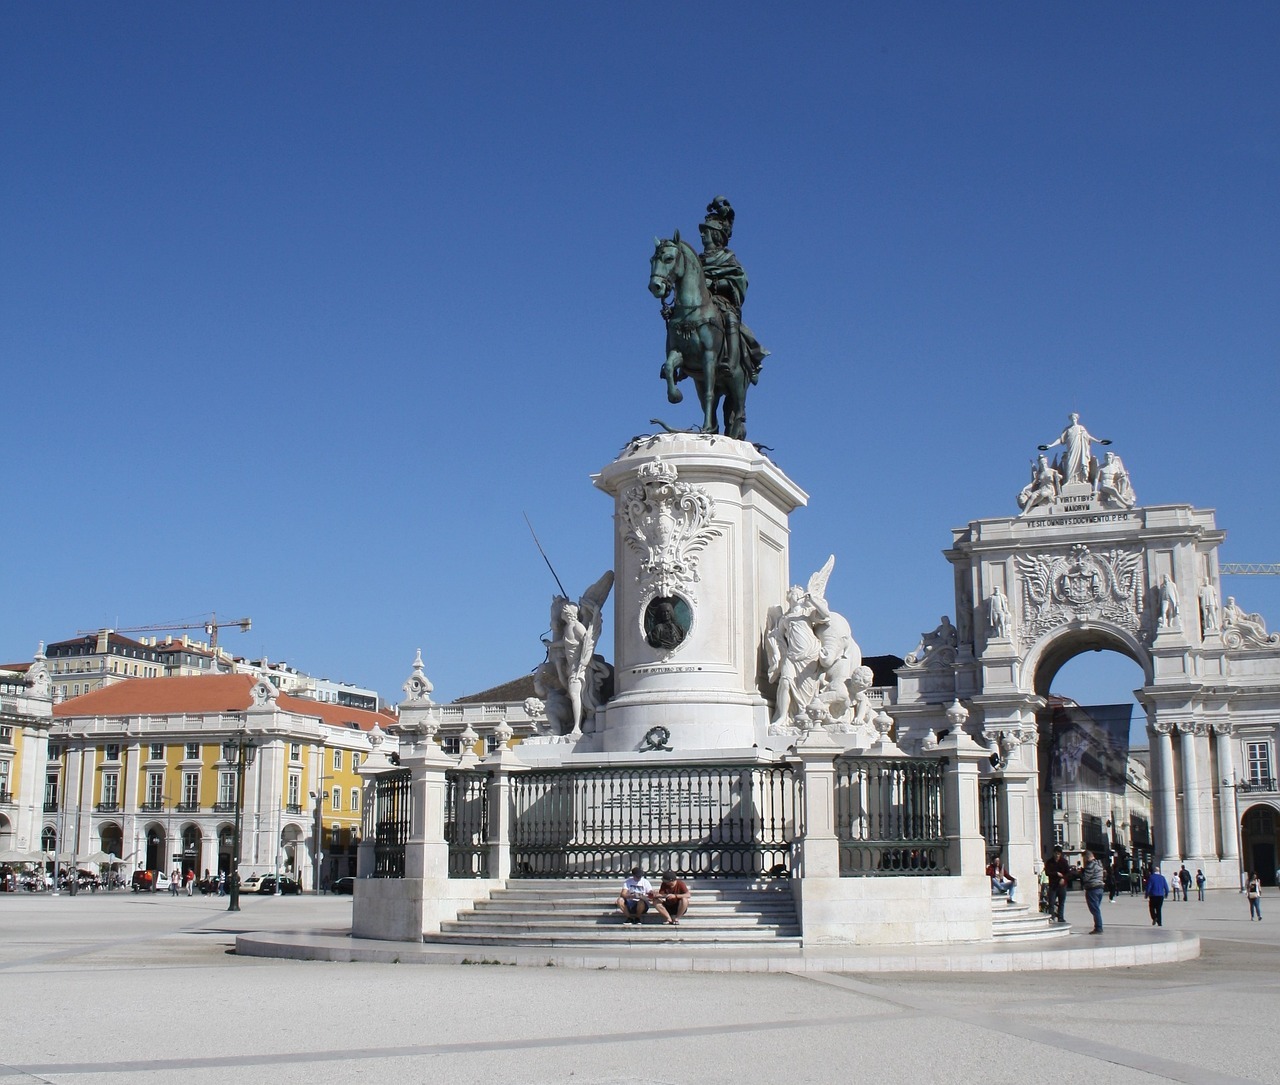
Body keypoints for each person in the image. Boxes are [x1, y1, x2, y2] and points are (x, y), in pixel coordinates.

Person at [1038, 412, 1110, 485]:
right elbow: (1060, 439)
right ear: (1070, 419)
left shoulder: (1081, 428)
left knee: (1081, 464)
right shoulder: (1068, 430)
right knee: (1069, 465)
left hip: (1080, 450)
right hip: (1071, 450)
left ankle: (1082, 480)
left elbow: (1088, 437)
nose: (1073, 419)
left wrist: (1098, 441)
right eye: (1072, 418)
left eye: (1075, 418)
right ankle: (1070, 481)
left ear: (1077, 419)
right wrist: (1051, 445)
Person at [1045, 845, 1071, 924]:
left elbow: (1068, 873)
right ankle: (1051, 917)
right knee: (1051, 902)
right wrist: (1056, 873)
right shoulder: (1049, 862)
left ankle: (1060, 917)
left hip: (1062, 885)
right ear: (1053, 853)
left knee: (1061, 902)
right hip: (1053, 885)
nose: (1057, 856)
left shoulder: (1064, 862)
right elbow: (1047, 872)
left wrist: (1063, 878)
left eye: (1059, 854)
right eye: (1056, 854)